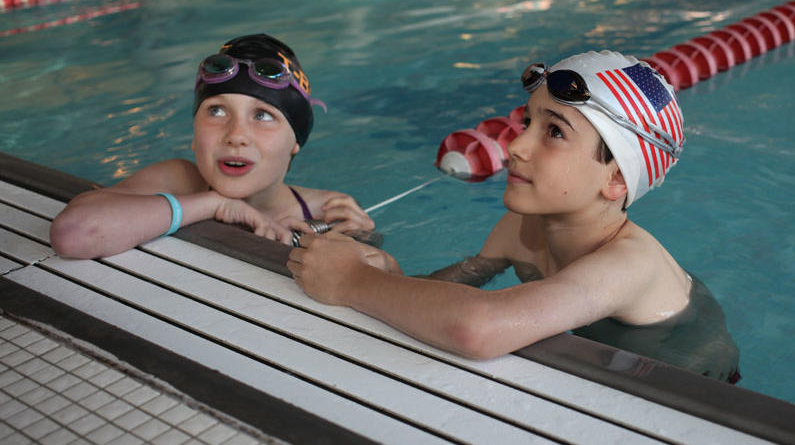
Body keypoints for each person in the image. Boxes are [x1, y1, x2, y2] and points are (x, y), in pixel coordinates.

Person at [288, 51, 739, 382]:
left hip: (689, 391)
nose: (516, 147)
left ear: (616, 179)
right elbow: (445, 295)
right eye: (527, 123)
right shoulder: (522, 227)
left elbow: (478, 328)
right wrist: (380, 264)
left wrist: (352, 282)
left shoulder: (630, 265)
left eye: (554, 132)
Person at [50, 34, 374, 259]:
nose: (236, 135)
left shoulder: (326, 213)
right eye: (216, 111)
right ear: (193, 134)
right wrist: (214, 205)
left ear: (295, 143)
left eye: (262, 115)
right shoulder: (178, 180)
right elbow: (74, 234)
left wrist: (368, 246)